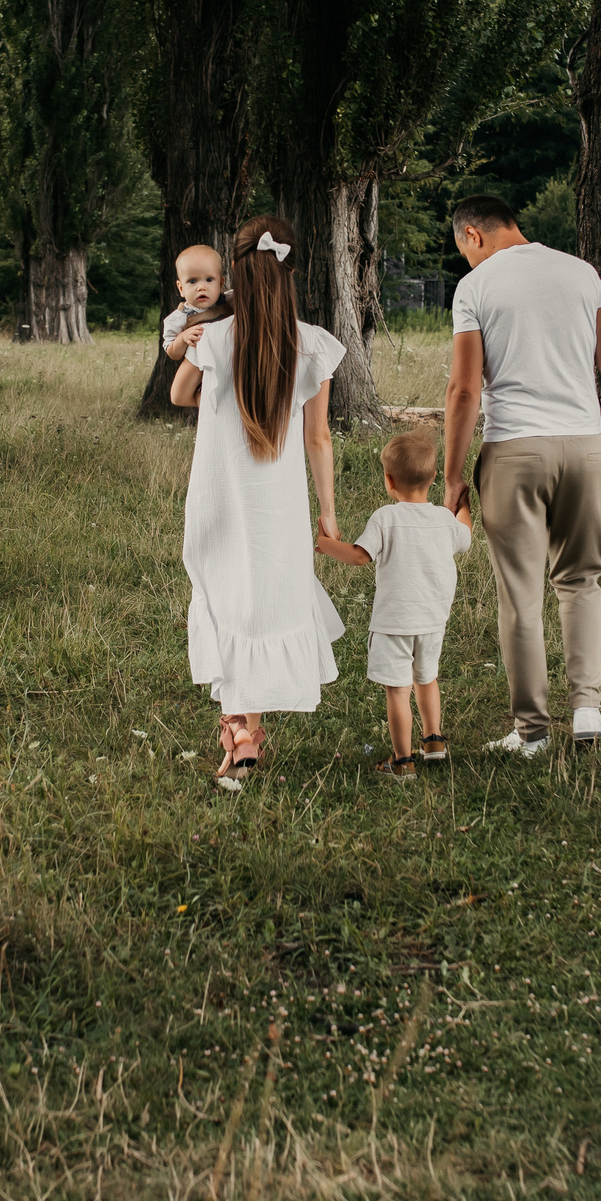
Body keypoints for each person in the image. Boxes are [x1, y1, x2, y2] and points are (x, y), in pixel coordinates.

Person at [441, 193, 601, 759]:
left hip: (515, 451)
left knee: (521, 596)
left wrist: (453, 475)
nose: (467, 262)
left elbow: (463, 390)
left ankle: (531, 733)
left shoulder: (475, 288)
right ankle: (587, 711)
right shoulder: (583, 273)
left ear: (473, 235)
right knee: (581, 580)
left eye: (464, 251)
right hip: (585, 448)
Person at [171, 215, 346, 787]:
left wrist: (225, 402)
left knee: (227, 598)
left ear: (235, 275)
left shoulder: (215, 338)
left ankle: (241, 732)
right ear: (289, 273)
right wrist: (327, 511)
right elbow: (318, 437)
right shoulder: (311, 343)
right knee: (265, 599)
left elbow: (179, 396)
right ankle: (246, 730)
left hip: (220, 493)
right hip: (279, 503)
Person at [315, 430, 473, 779]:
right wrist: (463, 507)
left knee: (398, 690)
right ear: (433, 478)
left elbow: (359, 557)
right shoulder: (444, 520)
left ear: (389, 480)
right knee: (427, 678)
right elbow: (466, 536)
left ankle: (403, 761)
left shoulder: (385, 518)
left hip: (394, 623)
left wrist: (324, 544)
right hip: (433, 621)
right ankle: (433, 741)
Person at [160, 242, 232, 362]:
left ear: (220, 283)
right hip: (201, 371)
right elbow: (172, 353)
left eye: (209, 280)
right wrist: (183, 338)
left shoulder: (229, 300)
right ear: (181, 288)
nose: (201, 287)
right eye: (192, 281)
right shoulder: (179, 318)